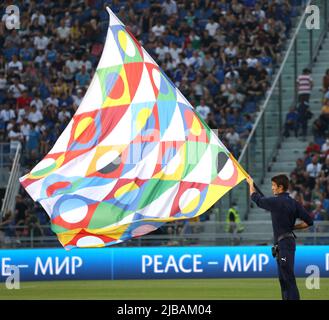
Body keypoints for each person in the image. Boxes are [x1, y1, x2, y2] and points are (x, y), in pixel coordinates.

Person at [246, 174, 313, 300]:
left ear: (280, 187)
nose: (272, 188)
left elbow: (256, 198)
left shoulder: (275, 202)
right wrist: (293, 227)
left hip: (284, 245)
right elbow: (309, 221)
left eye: (273, 186)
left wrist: (250, 184)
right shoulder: (294, 203)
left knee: (287, 278)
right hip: (285, 244)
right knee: (284, 279)